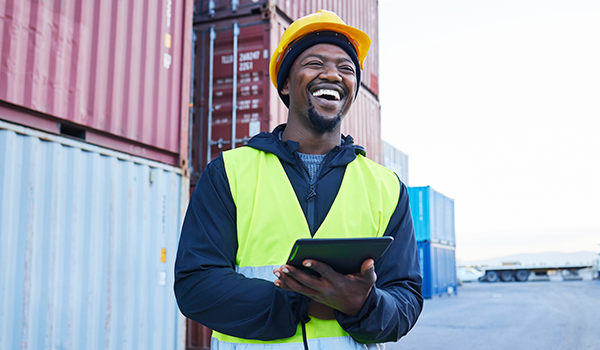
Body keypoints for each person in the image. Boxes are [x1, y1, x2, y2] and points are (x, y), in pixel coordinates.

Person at [174, 9, 423, 350]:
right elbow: (195, 285)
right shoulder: (229, 173)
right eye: (315, 63)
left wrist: (363, 306)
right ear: (287, 83)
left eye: (346, 68)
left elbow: (406, 297)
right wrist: (304, 302)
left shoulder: (387, 187)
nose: (333, 74)